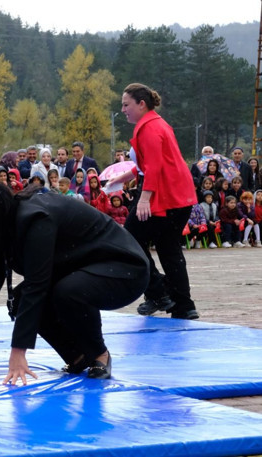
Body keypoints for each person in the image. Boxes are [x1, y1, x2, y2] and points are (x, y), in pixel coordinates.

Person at [0, 177, 149, 384]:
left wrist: (18, 352)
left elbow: (37, 285)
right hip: (86, 267)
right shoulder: (5, 225)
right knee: (19, 300)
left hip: (126, 270)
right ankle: (77, 356)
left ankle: (99, 354)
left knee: (68, 291)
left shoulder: (35, 219)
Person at [108, 83, 199, 320]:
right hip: (179, 197)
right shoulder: (158, 124)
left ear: (141, 104)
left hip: (163, 198)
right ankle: (184, 305)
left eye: (126, 104)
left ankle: (158, 292)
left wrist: (144, 198)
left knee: (127, 242)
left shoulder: (148, 128)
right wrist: (123, 177)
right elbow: (149, 164)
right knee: (169, 250)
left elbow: (156, 167)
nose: (123, 109)